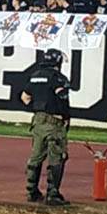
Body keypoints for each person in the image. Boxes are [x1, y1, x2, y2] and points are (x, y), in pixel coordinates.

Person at [20, 48, 71, 205]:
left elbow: (24, 97)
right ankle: (52, 193)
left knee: (36, 156)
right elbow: (62, 96)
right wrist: (66, 116)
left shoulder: (35, 75)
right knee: (57, 157)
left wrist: (37, 109)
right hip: (53, 121)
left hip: (38, 120)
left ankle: (32, 191)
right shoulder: (58, 77)